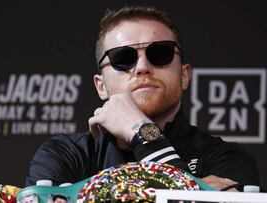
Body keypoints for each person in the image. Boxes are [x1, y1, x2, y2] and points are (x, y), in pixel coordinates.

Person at [26, 5, 259, 191]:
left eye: (160, 53)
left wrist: (140, 130)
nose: (142, 67)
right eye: (122, 58)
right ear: (101, 86)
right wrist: (195, 190)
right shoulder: (64, 156)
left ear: (184, 76)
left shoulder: (227, 159)